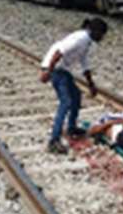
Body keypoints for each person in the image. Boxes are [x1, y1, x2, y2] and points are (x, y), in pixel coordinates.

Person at [40, 18, 108, 154]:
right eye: (101, 34)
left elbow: (84, 62)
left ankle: (71, 128)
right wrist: (48, 71)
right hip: (56, 69)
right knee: (66, 102)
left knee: (76, 97)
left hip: (63, 69)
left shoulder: (87, 41)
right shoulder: (80, 38)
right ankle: (53, 140)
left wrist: (91, 84)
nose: (102, 37)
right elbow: (59, 51)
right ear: (94, 31)